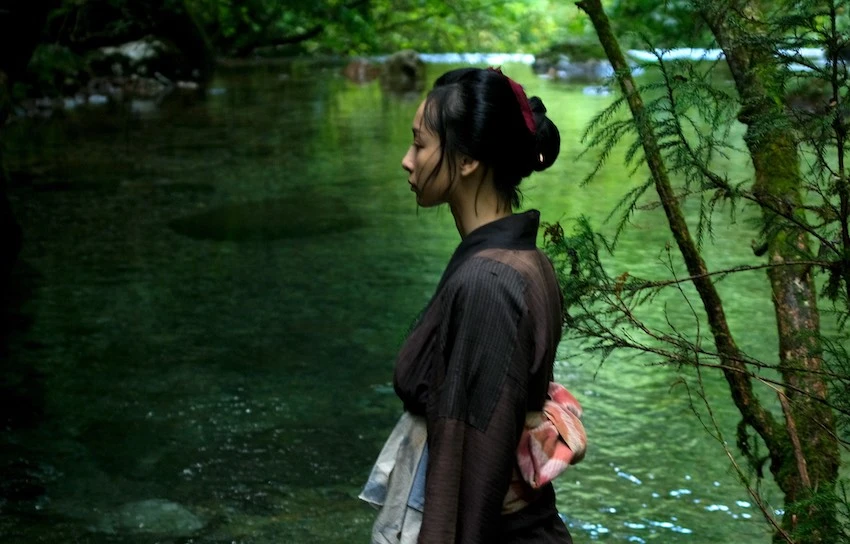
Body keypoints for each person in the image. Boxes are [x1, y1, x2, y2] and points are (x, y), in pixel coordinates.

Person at [384, 66, 575, 543]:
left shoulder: (488, 282)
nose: (407, 161)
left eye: (419, 144)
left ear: (467, 160)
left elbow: (470, 467)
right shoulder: (522, 261)